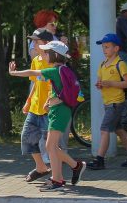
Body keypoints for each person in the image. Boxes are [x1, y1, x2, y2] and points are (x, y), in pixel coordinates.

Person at [10, 41, 86, 191]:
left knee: (50, 146)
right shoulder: (63, 70)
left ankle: (60, 178)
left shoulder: (55, 71)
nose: (44, 55)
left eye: (46, 53)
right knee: (52, 146)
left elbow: (33, 73)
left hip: (59, 112)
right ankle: (64, 174)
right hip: (58, 111)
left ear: (55, 55)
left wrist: (14, 73)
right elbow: (57, 90)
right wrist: (48, 102)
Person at [86, 34, 127, 169]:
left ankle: (99, 160)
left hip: (116, 103)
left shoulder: (120, 64)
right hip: (108, 102)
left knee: (104, 130)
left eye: (107, 47)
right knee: (118, 129)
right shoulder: (102, 65)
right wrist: (100, 84)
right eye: (103, 47)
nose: (104, 49)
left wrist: (110, 83)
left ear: (116, 49)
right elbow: (101, 82)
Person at [9, 28, 54, 182]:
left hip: (48, 109)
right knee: (27, 137)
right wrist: (28, 101)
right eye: (33, 41)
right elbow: (35, 84)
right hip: (35, 107)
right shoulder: (36, 61)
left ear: (46, 43)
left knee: (51, 145)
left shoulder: (52, 62)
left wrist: (50, 101)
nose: (33, 44)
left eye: (36, 41)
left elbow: (55, 86)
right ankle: (41, 168)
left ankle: (73, 167)